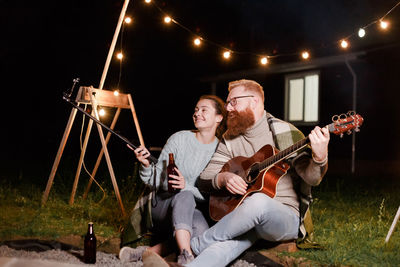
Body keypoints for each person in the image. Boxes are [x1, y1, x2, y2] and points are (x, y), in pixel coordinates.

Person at [183, 79, 330, 267]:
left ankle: (195, 245)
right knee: (224, 246)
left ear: (254, 101)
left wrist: (320, 157)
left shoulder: (284, 132)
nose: (228, 108)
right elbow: (204, 178)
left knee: (259, 201)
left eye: (233, 102)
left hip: (283, 218)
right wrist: (223, 178)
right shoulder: (229, 137)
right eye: (228, 103)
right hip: (243, 216)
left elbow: (312, 178)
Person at [119, 95, 226, 265]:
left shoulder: (221, 151)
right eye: (196, 110)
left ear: (219, 118)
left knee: (201, 235)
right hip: (163, 205)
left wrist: (187, 187)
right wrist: (147, 165)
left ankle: (144, 253)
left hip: (193, 212)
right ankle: (185, 256)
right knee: (184, 196)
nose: (197, 113)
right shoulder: (179, 139)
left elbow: (215, 197)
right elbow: (155, 180)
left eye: (204, 110)